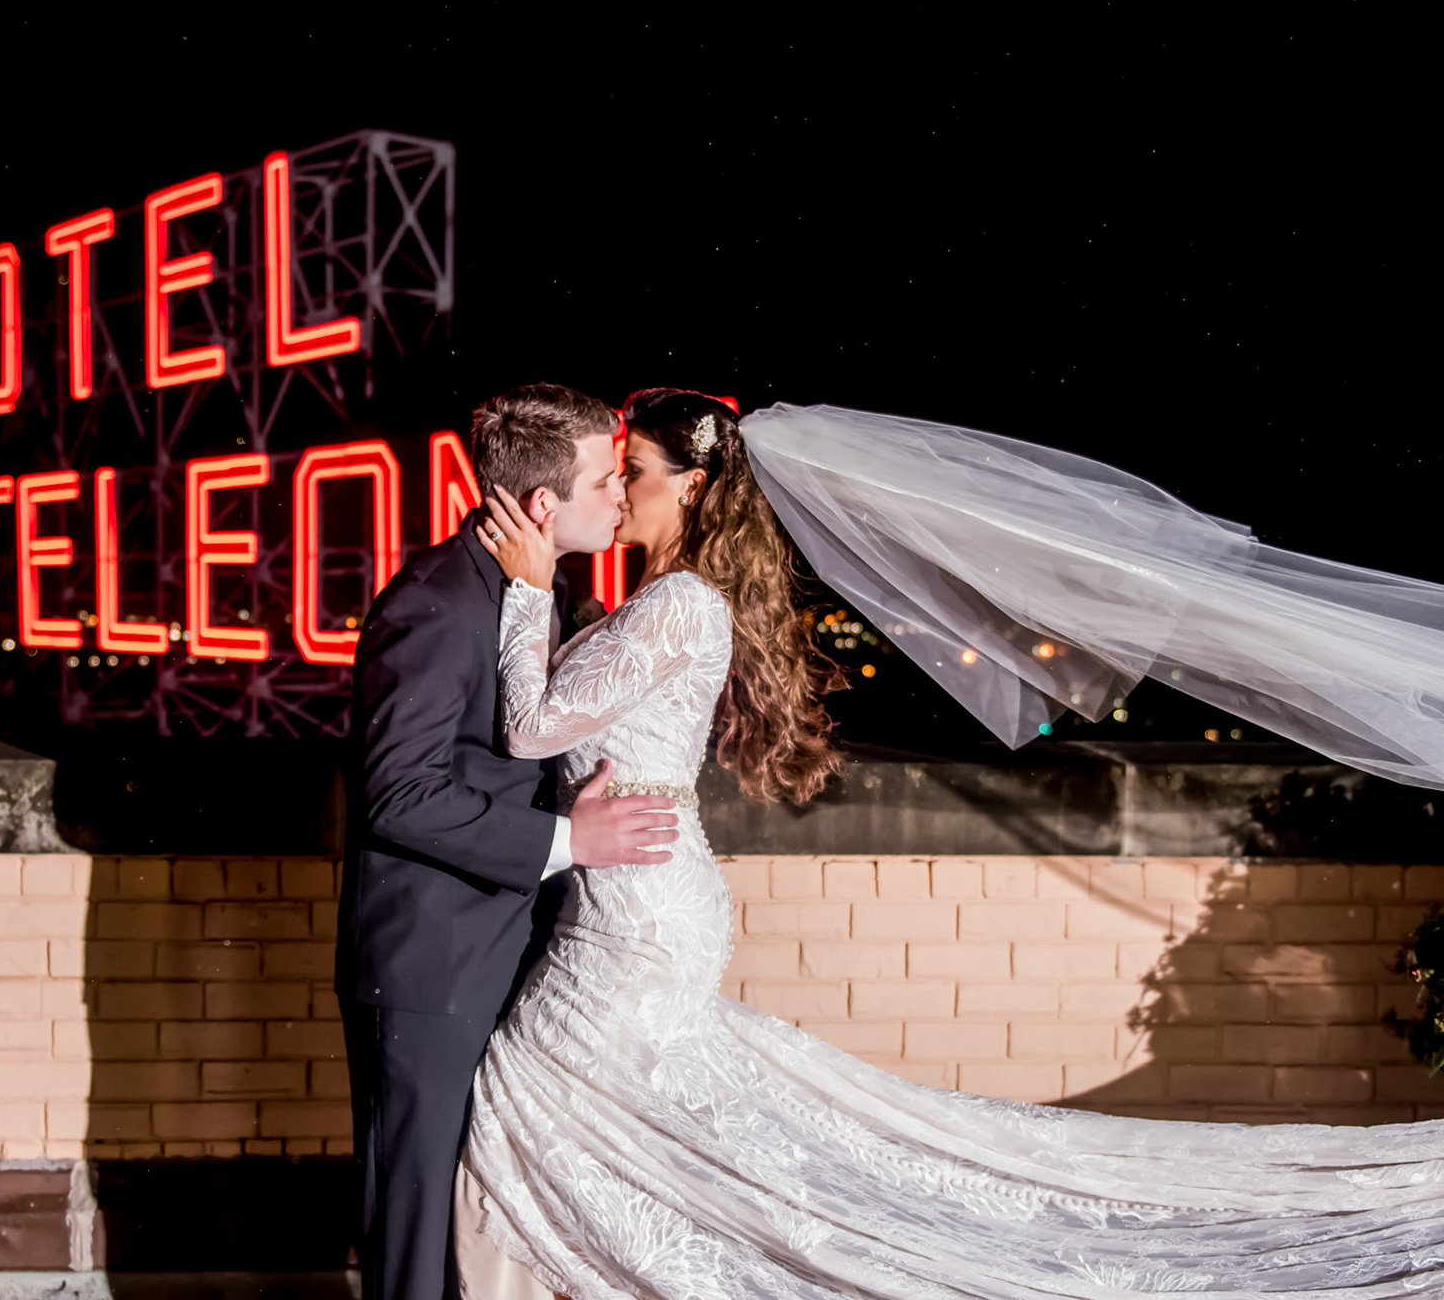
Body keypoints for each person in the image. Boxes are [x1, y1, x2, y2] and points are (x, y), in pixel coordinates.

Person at [454, 388, 1444, 1297]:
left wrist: (531, 586)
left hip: (641, 904)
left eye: (634, 472)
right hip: (642, 885)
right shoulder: (669, 601)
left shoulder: (679, 603)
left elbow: (533, 727)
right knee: (588, 1109)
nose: (621, 492)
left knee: (532, 1088)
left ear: (693, 483)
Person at [337, 383, 687, 1300]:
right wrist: (569, 839)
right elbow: (398, 794)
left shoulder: (538, 591)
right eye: (607, 481)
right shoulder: (438, 602)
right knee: (416, 1237)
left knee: (477, 1228)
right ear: (543, 505)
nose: (620, 497)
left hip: (508, 954)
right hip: (432, 970)